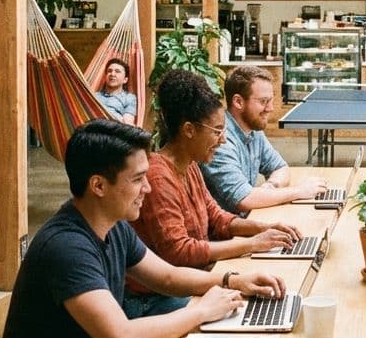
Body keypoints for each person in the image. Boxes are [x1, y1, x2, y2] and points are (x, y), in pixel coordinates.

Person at [0, 119, 286, 338]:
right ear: (98, 185)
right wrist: (201, 312)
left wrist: (233, 280)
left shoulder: (112, 224)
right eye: (137, 179)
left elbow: (167, 276)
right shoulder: (67, 248)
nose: (147, 189)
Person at [128, 70, 301, 317]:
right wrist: (250, 244)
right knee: (250, 306)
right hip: (154, 300)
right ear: (189, 130)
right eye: (217, 130)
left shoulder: (190, 166)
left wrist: (264, 228)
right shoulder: (158, 176)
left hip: (191, 280)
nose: (223, 140)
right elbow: (179, 252)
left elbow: (217, 218)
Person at [200, 65, 326, 215]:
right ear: (238, 102)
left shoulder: (253, 129)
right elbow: (244, 199)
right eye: (264, 101)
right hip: (227, 233)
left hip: (246, 221)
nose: (271, 108)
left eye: (270, 100)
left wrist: (270, 187)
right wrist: (301, 191)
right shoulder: (220, 140)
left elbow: (280, 168)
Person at [94, 58, 138, 125]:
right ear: (105, 77)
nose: (112, 74)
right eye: (109, 71)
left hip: (114, 131)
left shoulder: (129, 98)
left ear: (125, 80)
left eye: (117, 71)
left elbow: (128, 123)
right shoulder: (94, 96)